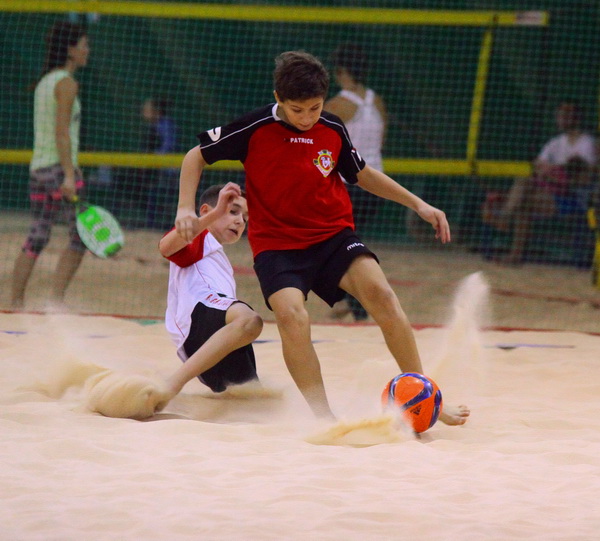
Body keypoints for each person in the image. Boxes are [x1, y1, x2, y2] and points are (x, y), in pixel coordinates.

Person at [175, 50, 469, 425]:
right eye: (297, 110)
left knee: (382, 295)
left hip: (332, 235)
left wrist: (419, 204)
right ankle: (323, 418)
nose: (307, 118)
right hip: (278, 246)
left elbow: (362, 173)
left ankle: (426, 396)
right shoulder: (254, 127)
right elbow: (195, 156)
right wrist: (185, 208)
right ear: (279, 98)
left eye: (314, 108)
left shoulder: (332, 126)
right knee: (292, 316)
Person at [11, 21, 90, 310]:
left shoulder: (45, 82)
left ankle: (15, 304)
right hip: (58, 170)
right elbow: (61, 133)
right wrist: (69, 174)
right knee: (81, 236)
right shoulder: (66, 83)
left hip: (39, 169)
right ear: (70, 49)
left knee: (37, 236)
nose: (87, 50)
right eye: (84, 45)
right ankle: (55, 303)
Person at [159, 182, 262, 397]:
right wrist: (215, 214)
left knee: (253, 399)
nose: (240, 221)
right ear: (205, 211)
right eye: (233, 211)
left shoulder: (218, 256)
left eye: (245, 218)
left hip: (212, 345)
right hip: (198, 322)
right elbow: (166, 247)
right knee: (250, 320)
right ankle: (172, 384)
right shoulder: (199, 235)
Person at [482, 100, 597, 265]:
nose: (561, 118)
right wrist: (552, 171)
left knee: (524, 187)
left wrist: (552, 172)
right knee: (524, 202)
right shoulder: (556, 142)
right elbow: (538, 165)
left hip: (574, 197)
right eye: (559, 115)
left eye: (566, 114)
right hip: (551, 192)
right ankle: (515, 256)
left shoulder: (587, 143)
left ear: (576, 117)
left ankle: (505, 218)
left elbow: (583, 178)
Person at [324, 43, 387, 321]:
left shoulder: (338, 105)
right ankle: (346, 298)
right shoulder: (377, 101)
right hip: (376, 185)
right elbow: (379, 144)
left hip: (349, 188)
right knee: (344, 243)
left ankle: (359, 306)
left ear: (341, 71)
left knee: (341, 247)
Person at [141, 96, 179, 229]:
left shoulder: (166, 125)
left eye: (147, 109)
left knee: (159, 193)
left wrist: (153, 158)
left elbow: (168, 146)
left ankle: (158, 223)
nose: (144, 111)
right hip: (155, 169)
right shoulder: (152, 126)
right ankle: (151, 222)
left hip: (168, 169)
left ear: (156, 110)